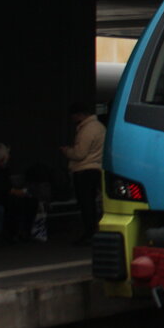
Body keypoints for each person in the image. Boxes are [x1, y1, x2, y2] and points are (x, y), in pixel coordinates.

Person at [61, 103, 106, 244]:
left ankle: (89, 232)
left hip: (84, 170)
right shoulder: (100, 127)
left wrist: (67, 151)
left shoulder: (87, 129)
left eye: (73, 116)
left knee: (86, 204)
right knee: (92, 203)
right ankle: (93, 230)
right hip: (97, 167)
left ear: (79, 115)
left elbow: (80, 153)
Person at [0, 143, 35, 242]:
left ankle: (24, 231)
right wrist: (13, 191)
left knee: (29, 201)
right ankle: (15, 232)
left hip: (5, 196)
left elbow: (7, 186)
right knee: (17, 204)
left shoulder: (4, 169)